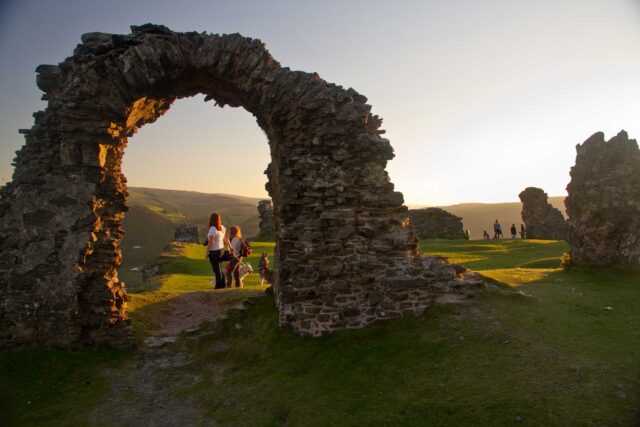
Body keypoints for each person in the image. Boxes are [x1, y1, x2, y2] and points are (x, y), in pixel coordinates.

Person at [205, 212, 229, 289]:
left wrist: (207, 252)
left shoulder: (212, 229)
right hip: (221, 250)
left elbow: (211, 242)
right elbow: (226, 239)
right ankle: (222, 285)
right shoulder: (222, 227)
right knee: (219, 269)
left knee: (216, 270)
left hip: (214, 252)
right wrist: (230, 247)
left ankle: (218, 286)